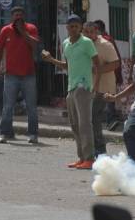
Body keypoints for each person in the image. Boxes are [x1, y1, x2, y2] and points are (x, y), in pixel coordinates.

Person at [41, 14, 99, 169]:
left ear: (80, 27)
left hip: (83, 87)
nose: (73, 29)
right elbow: (67, 66)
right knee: (74, 124)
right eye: (70, 26)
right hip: (71, 87)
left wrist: (95, 86)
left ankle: (90, 158)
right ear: (66, 28)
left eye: (76, 26)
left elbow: (97, 65)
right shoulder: (66, 43)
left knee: (85, 124)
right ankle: (82, 158)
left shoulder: (87, 42)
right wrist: (51, 59)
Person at [0, 6, 40, 144]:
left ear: (24, 16)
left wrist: (23, 32)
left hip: (28, 74)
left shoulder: (31, 28)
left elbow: (35, 45)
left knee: (31, 106)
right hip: (11, 75)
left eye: (20, 14)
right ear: (12, 17)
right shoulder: (6, 30)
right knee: (8, 106)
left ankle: (33, 134)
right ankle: (4, 133)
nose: (18, 17)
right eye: (16, 15)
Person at [83, 21, 120, 157]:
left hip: (103, 87)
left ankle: (100, 149)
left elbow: (116, 63)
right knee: (91, 118)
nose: (88, 34)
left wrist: (98, 69)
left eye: (91, 31)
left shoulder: (105, 45)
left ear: (96, 31)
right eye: (85, 32)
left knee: (93, 117)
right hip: (88, 86)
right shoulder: (82, 44)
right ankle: (94, 148)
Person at [94, 19, 122, 130]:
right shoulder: (98, 41)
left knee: (106, 97)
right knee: (106, 97)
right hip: (105, 73)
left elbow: (114, 60)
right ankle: (110, 120)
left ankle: (111, 120)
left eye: (94, 30)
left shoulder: (106, 41)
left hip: (106, 73)